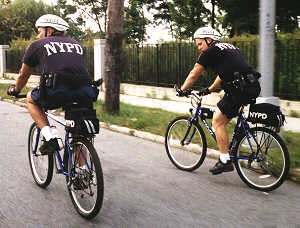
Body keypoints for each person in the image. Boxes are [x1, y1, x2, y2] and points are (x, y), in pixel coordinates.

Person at [7, 14, 98, 155]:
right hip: (85, 91)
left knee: (31, 98)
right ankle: (83, 171)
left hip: (57, 91)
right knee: (78, 132)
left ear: (49, 30)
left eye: (39, 32)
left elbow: (23, 74)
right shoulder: (77, 44)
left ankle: (51, 138)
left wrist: (15, 90)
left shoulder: (37, 45)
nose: (38, 36)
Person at [179, 26, 261, 175]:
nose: (199, 48)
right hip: (252, 85)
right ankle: (232, 146)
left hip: (239, 90)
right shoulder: (228, 47)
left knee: (217, 121)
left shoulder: (210, 51)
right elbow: (223, 73)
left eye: (199, 44)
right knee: (223, 100)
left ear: (209, 40)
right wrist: (210, 89)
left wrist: (182, 90)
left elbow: (194, 74)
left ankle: (225, 160)